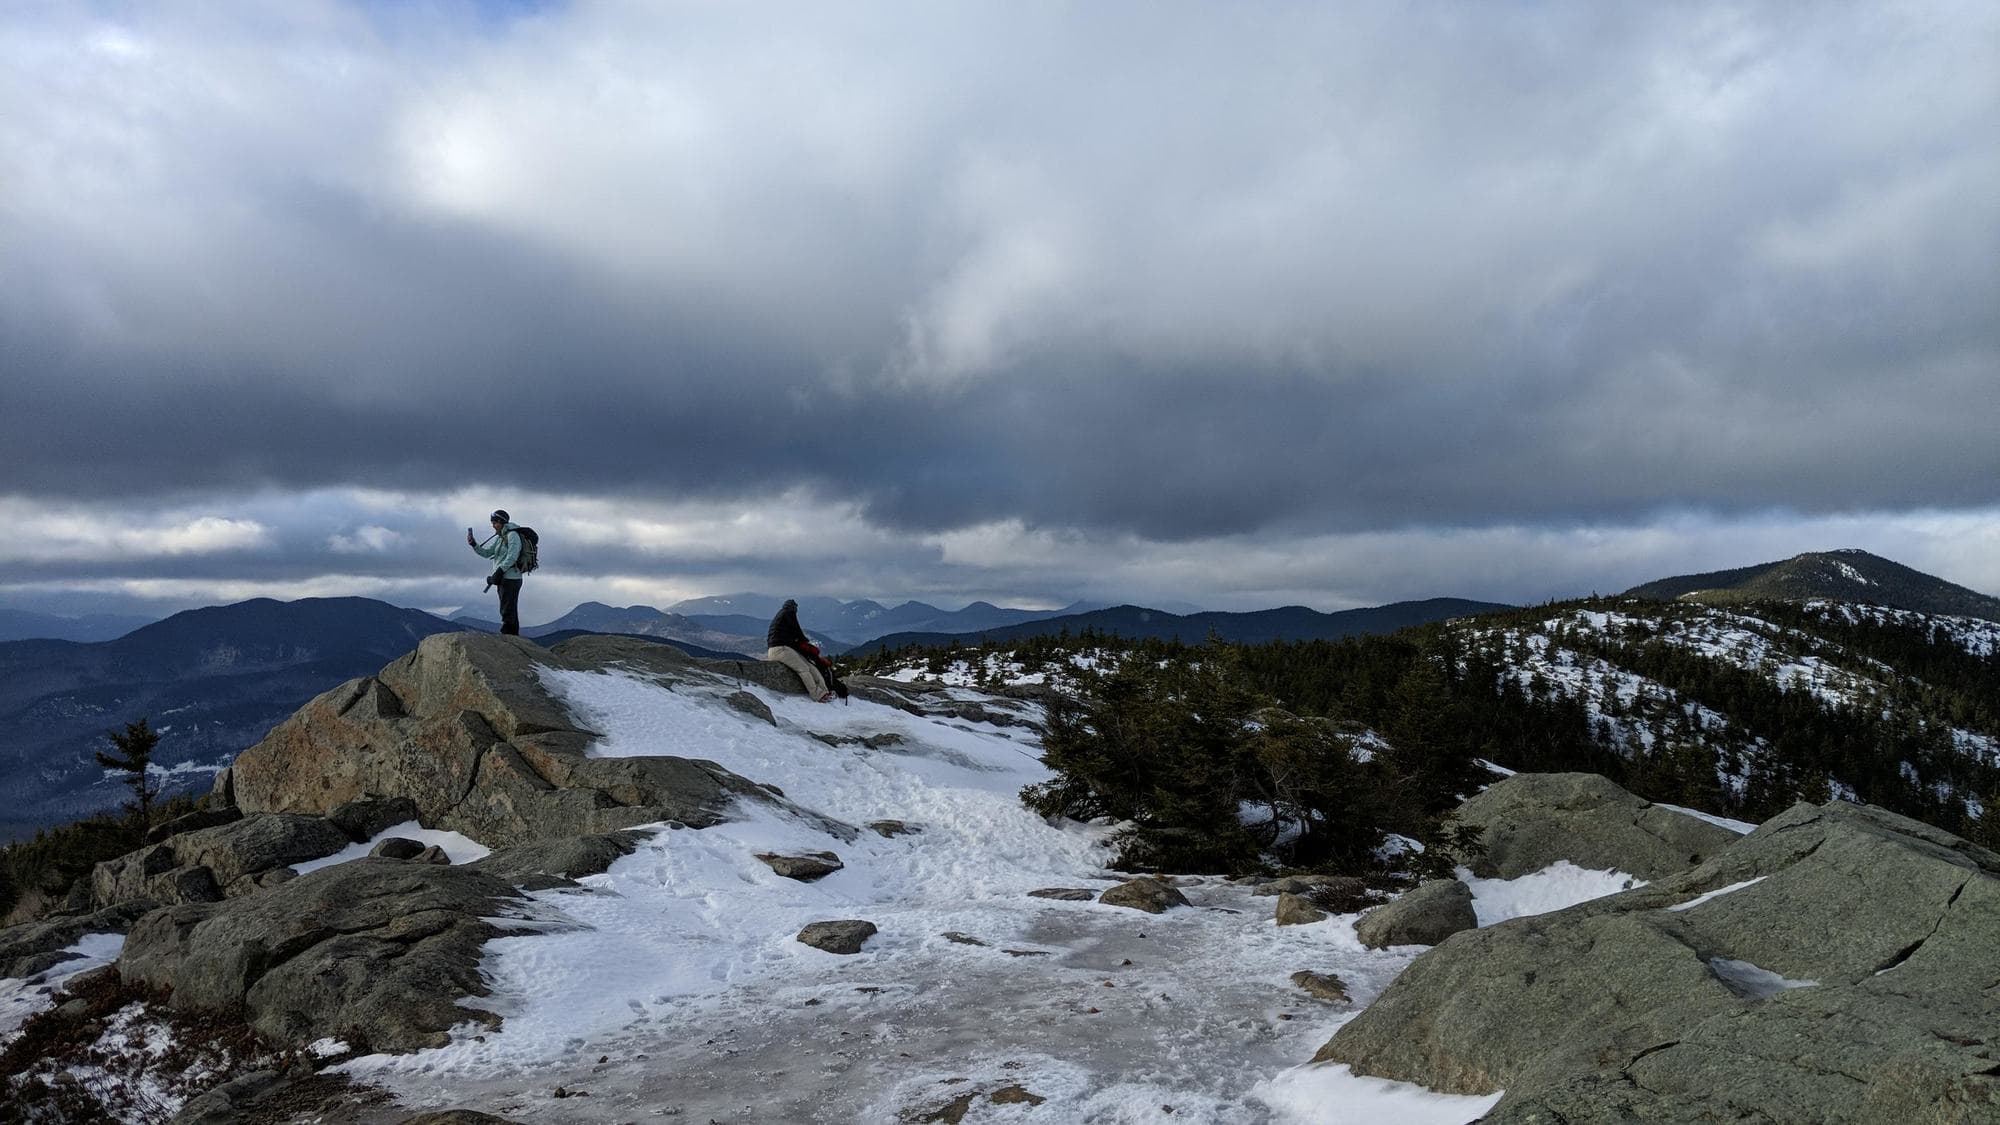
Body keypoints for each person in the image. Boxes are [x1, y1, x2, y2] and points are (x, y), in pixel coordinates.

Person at [467, 509, 525, 635]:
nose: (493, 525)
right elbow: (488, 553)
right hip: (504, 578)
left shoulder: (512, 535)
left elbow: (512, 556)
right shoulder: (500, 537)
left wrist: (499, 571)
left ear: (501, 522)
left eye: (494, 522)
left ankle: (508, 636)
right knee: (508, 608)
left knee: (507, 609)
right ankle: (512, 636)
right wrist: (474, 545)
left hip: (511, 578)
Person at [766, 599, 835, 702]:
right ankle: (818, 694)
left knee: (810, 666)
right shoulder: (788, 613)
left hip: (780, 649)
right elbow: (797, 631)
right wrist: (806, 643)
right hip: (780, 649)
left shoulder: (782, 615)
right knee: (804, 668)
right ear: (794, 608)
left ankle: (825, 691)